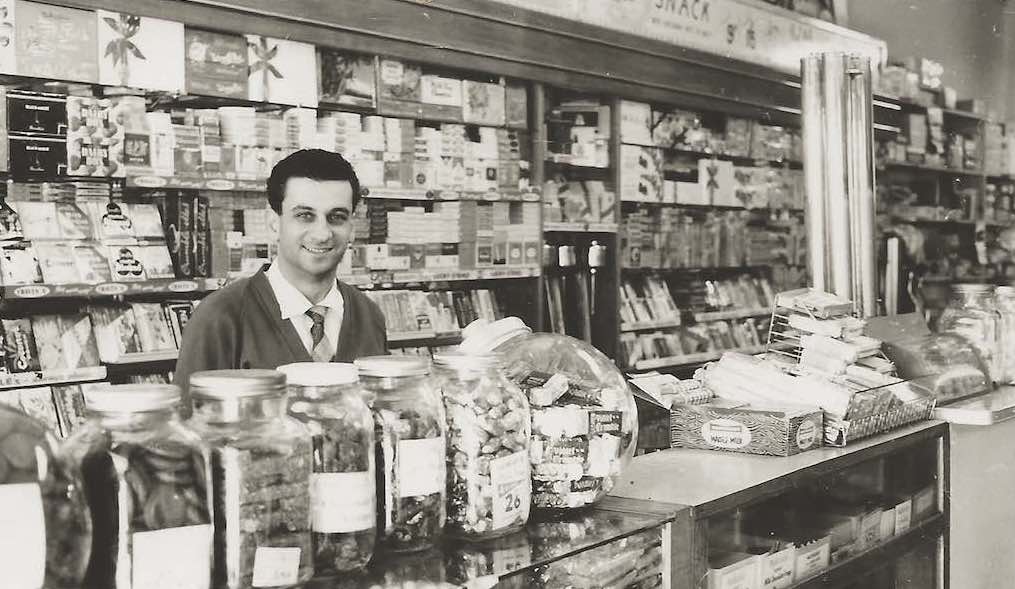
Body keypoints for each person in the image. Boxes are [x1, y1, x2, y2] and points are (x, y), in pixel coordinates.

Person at [174, 149, 387, 399]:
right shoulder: (219, 318)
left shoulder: (368, 315)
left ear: (352, 227)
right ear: (273, 222)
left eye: (336, 217)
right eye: (304, 216)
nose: (322, 233)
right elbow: (187, 428)